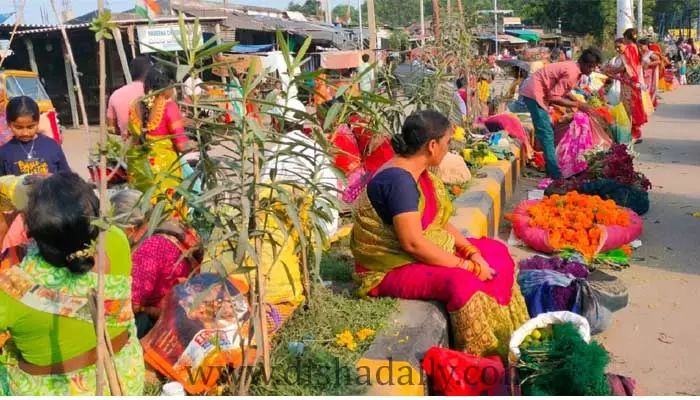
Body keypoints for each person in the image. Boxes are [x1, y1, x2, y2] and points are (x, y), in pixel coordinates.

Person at [351, 110, 528, 358]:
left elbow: (439, 222)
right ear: (432, 146)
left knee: (494, 251)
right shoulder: (399, 182)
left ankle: (512, 336)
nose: (449, 148)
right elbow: (413, 244)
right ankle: (484, 356)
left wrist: (472, 253)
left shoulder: (417, 172)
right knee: (462, 284)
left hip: (418, 249)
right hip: (390, 266)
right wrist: (470, 268)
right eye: (447, 142)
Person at [0, 172, 144, 395]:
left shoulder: (12, 287)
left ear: (29, 230)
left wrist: (5, 222)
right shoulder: (115, 241)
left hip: (52, 391)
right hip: (121, 378)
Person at [520, 48, 602, 178]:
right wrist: (578, 104)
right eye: (590, 67)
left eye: (594, 67)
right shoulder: (572, 73)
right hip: (535, 93)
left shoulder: (574, 68)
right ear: (583, 63)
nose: (592, 70)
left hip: (539, 92)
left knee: (548, 131)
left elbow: (563, 88)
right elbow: (554, 97)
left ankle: (551, 167)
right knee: (546, 133)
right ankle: (555, 174)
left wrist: (574, 99)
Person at [126, 66, 192, 200]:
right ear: (168, 85)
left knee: (143, 209)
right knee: (167, 211)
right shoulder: (169, 107)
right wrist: (193, 144)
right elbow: (181, 146)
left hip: (139, 170)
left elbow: (133, 135)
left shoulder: (135, 105)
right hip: (164, 173)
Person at [0, 96, 69, 176]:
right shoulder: (4, 153)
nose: (25, 133)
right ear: (9, 124)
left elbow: (67, 177)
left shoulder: (52, 146)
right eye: (18, 127)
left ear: (38, 122)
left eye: (30, 127)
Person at [605, 31, 648, 144]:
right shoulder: (635, 47)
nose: (618, 50)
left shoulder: (629, 49)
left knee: (629, 108)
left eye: (619, 46)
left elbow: (624, 68)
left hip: (630, 83)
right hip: (632, 82)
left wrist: (608, 71)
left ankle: (632, 134)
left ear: (626, 40)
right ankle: (634, 134)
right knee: (632, 107)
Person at [107, 55, 151, 140]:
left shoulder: (116, 94)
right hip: (153, 145)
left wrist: (125, 132)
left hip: (127, 146)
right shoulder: (154, 93)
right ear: (148, 72)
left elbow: (110, 127)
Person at [639, 38, 662, 108]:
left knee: (648, 90)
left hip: (649, 74)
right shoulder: (643, 53)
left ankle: (649, 104)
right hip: (644, 74)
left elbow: (658, 61)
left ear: (646, 45)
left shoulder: (650, 53)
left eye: (641, 46)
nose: (639, 48)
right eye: (639, 46)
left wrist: (649, 64)